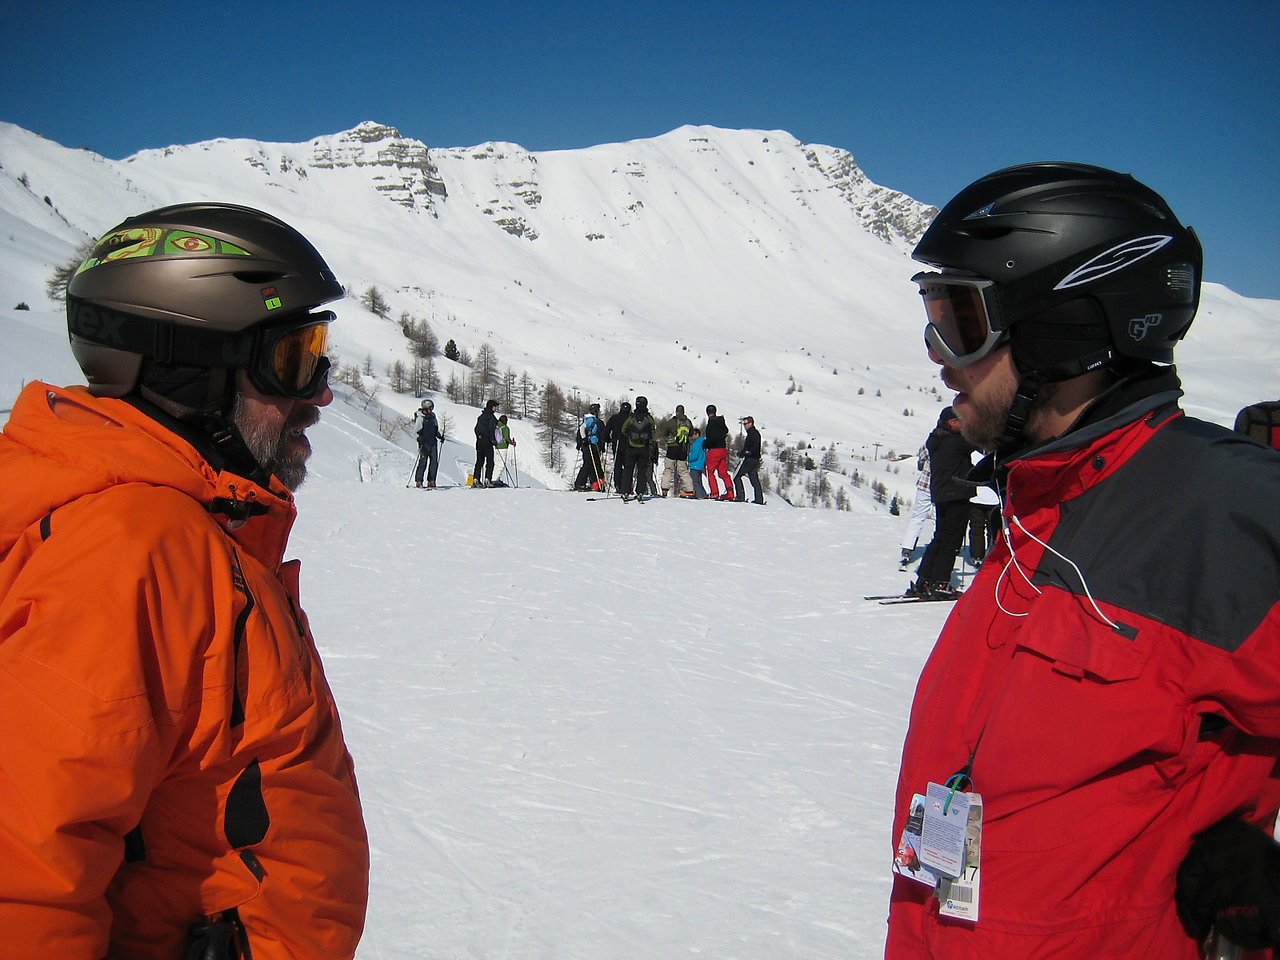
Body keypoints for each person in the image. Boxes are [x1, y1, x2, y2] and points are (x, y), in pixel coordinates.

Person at [886, 162, 1280, 960]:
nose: (939, 356)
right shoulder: (1038, 513)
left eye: (961, 321)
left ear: (1066, 333)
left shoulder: (1224, 510)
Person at [0, 203, 369, 958]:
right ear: (190, 372)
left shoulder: (198, 532)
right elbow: (24, 875)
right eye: (294, 359)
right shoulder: (130, 550)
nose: (321, 392)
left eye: (319, 351)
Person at [905, 407, 975, 597]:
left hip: (942, 493)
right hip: (957, 494)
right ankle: (940, 582)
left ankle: (925, 578)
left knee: (940, 537)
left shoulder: (936, 440)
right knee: (951, 540)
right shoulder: (957, 442)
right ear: (952, 422)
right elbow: (979, 442)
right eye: (961, 420)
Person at [898, 440, 934, 568]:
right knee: (938, 519)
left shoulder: (932, 440)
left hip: (925, 483)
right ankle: (936, 547)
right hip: (942, 486)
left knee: (917, 517)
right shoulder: (954, 442)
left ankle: (907, 547)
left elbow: (921, 455)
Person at [619, 395, 657, 499]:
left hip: (631, 447)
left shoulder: (631, 417)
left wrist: (630, 437)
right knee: (642, 470)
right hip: (644, 448)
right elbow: (653, 433)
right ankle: (640, 492)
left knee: (628, 469)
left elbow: (623, 430)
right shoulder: (649, 418)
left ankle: (625, 491)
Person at [661, 405, 695, 497]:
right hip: (683, 449)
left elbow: (664, 432)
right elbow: (691, 433)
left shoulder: (672, 421)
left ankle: (665, 489)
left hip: (672, 448)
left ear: (676, 411)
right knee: (683, 470)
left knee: (668, 469)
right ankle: (689, 490)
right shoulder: (688, 422)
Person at [703, 403, 734, 500]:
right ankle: (730, 492)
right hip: (723, 449)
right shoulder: (721, 422)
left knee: (710, 472)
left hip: (714, 450)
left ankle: (714, 492)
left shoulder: (711, 424)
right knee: (723, 472)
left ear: (708, 413)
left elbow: (712, 438)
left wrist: (705, 443)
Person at [733, 415, 765, 504]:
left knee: (737, 476)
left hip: (750, 459)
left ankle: (740, 496)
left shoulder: (753, 434)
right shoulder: (753, 433)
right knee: (754, 478)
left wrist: (745, 452)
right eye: (743, 424)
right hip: (754, 459)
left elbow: (753, 448)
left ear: (751, 423)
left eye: (746, 423)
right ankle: (759, 499)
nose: (744, 425)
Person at [574, 402, 605, 491]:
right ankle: (581, 483)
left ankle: (595, 484)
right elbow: (582, 429)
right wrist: (584, 439)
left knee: (593, 464)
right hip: (589, 444)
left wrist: (580, 442)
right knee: (590, 464)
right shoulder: (591, 420)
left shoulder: (590, 419)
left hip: (591, 444)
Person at [414, 397, 442, 487]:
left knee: (434, 462)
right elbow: (416, 430)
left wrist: (439, 435)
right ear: (425, 408)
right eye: (429, 408)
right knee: (423, 461)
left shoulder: (433, 416)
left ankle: (431, 480)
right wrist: (419, 438)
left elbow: (435, 427)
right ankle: (419, 481)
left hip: (433, 442)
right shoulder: (420, 418)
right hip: (424, 443)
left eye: (432, 408)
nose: (431, 410)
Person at [604, 400, 631, 493]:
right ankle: (627, 486)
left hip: (617, 443)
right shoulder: (631, 418)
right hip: (629, 444)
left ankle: (618, 485)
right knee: (628, 466)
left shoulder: (614, 418)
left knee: (617, 465)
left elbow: (607, 430)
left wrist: (608, 439)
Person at [472, 398, 499, 487]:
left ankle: (476, 479)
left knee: (479, 460)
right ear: (491, 407)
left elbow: (476, 429)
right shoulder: (491, 417)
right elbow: (491, 430)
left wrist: (479, 437)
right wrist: (494, 441)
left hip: (479, 441)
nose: (496, 409)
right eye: (495, 407)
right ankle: (487, 479)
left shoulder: (481, 416)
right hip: (487, 441)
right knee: (490, 461)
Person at [687, 427, 708, 499]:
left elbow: (694, 455)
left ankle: (699, 495)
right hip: (701, 464)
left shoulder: (696, 443)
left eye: (693, 434)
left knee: (695, 482)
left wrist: (688, 458)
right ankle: (703, 494)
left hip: (695, 465)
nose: (692, 436)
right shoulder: (703, 442)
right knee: (699, 482)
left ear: (697, 434)